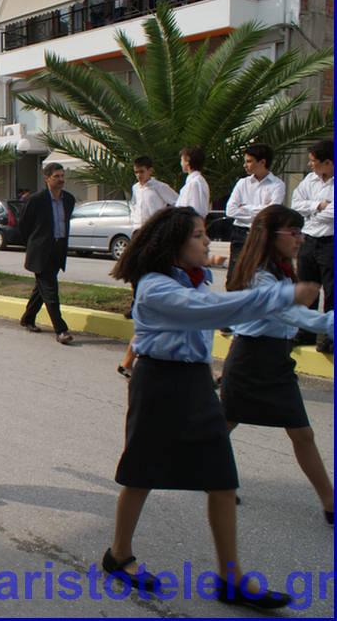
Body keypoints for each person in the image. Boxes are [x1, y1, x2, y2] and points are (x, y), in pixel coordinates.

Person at [105, 206, 319, 609]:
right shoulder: (154, 287)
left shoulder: (196, 280)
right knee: (141, 473)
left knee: (222, 479)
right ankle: (118, 554)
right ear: (174, 244)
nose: (207, 242)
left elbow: (218, 307)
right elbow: (211, 311)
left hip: (196, 383)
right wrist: (281, 294)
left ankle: (231, 579)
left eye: (206, 235)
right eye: (199, 235)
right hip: (158, 383)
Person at [221, 205, 334, 525]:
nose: (300, 239)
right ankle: (212, 478)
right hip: (250, 358)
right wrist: (328, 322)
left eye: (301, 232)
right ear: (271, 236)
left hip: (276, 360)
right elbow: (289, 313)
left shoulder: (282, 269)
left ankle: (330, 502)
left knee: (302, 432)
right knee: (223, 426)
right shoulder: (259, 275)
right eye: (293, 232)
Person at [118, 156, 179, 375]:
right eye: (136, 172)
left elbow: (177, 202)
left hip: (155, 232)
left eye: (142, 171)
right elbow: (135, 206)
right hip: (138, 230)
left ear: (150, 170)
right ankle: (136, 303)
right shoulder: (136, 188)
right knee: (134, 271)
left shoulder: (160, 187)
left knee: (151, 270)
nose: (139, 175)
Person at [19, 162, 76, 344]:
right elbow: (24, 225)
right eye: (56, 176)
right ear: (47, 179)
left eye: (62, 176)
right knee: (50, 291)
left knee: (42, 288)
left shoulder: (69, 199)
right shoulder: (36, 200)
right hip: (40, 251)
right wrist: (34, 244)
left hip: (58, 249)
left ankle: (28, 318)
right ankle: (61, 330)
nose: (60, 179)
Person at [290, 139, 333, 353]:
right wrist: (318, 205)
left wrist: (311, 214)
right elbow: (296, 204)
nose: (310, 165)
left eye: (313, 161)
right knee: (307, 286)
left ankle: (331, 336)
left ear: (328, 162)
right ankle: (305, 332)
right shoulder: (310, 180)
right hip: (309, 240)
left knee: (332, 290)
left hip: (330, 242)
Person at [225, 143, 285, 282]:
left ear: (262, 162)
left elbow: (271, 212)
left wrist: (245, 207)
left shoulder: (277, 185)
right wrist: (260, 209)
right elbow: (230, 210)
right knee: (234, 276)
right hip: (240, 233)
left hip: (263, 233)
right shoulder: (242, 183)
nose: (245, 165)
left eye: (249, 161)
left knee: (260, 276)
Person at [174, 145, 210, 217]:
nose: (181, 163)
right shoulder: (194, 182)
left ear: (187, 161)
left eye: (182, 160)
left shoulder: (195, 183)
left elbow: (195, 210)